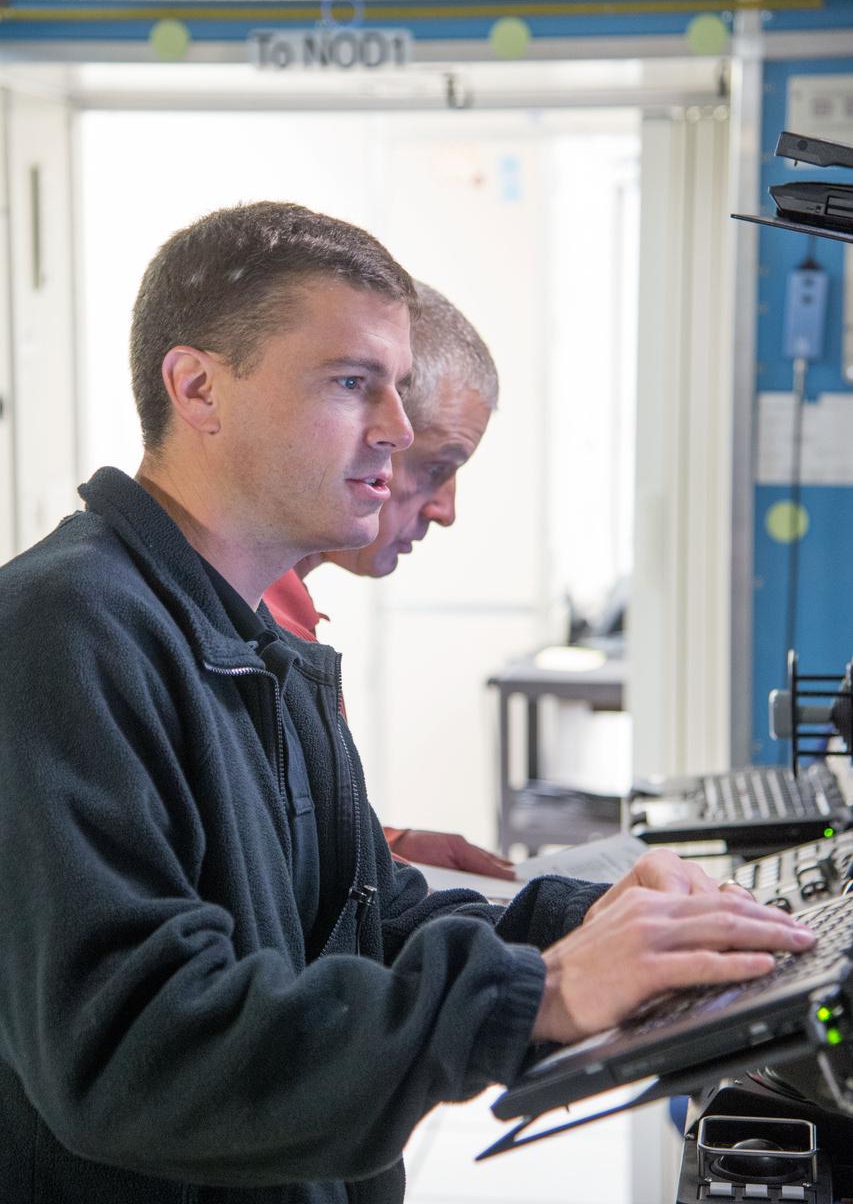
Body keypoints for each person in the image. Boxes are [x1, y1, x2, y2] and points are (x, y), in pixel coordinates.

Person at [0, 201, 815, 1204]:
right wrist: (541, 994)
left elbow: (361, 919)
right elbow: (132, 1049)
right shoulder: (61, 629)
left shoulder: (258, 637)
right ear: (198, 385)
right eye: (353, 384)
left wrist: (590, 920)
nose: (393, 428)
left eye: (394, 389)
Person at [265, 280, 515, 879]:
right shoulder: (237, 623)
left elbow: (259, 843)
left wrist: (386, 847)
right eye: (435, 468)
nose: (445, 510)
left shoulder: (284, 612)